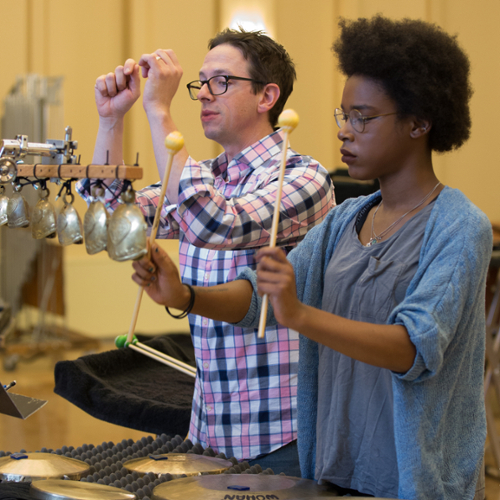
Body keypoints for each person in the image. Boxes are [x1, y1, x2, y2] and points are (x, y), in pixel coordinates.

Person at [131, 15, 492, 500]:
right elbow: (259, 298)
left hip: (413, 480)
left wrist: (299, 314)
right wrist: (184, 295)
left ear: (419, 123)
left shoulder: (458, 225)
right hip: (335, 467)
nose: (345, 132)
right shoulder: (346, 221)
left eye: (362, 117)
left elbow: (412, 348)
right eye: (343, 116)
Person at [77, 28, 334, 474]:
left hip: (282, 435)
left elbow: (216, 223)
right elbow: (112, 222)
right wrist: (111, 120)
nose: (202, 96)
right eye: (201, 83)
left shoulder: (305, 179)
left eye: (222, 82)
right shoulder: (208, 176)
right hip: (211, 430)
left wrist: (158, 108)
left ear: (266, 96)